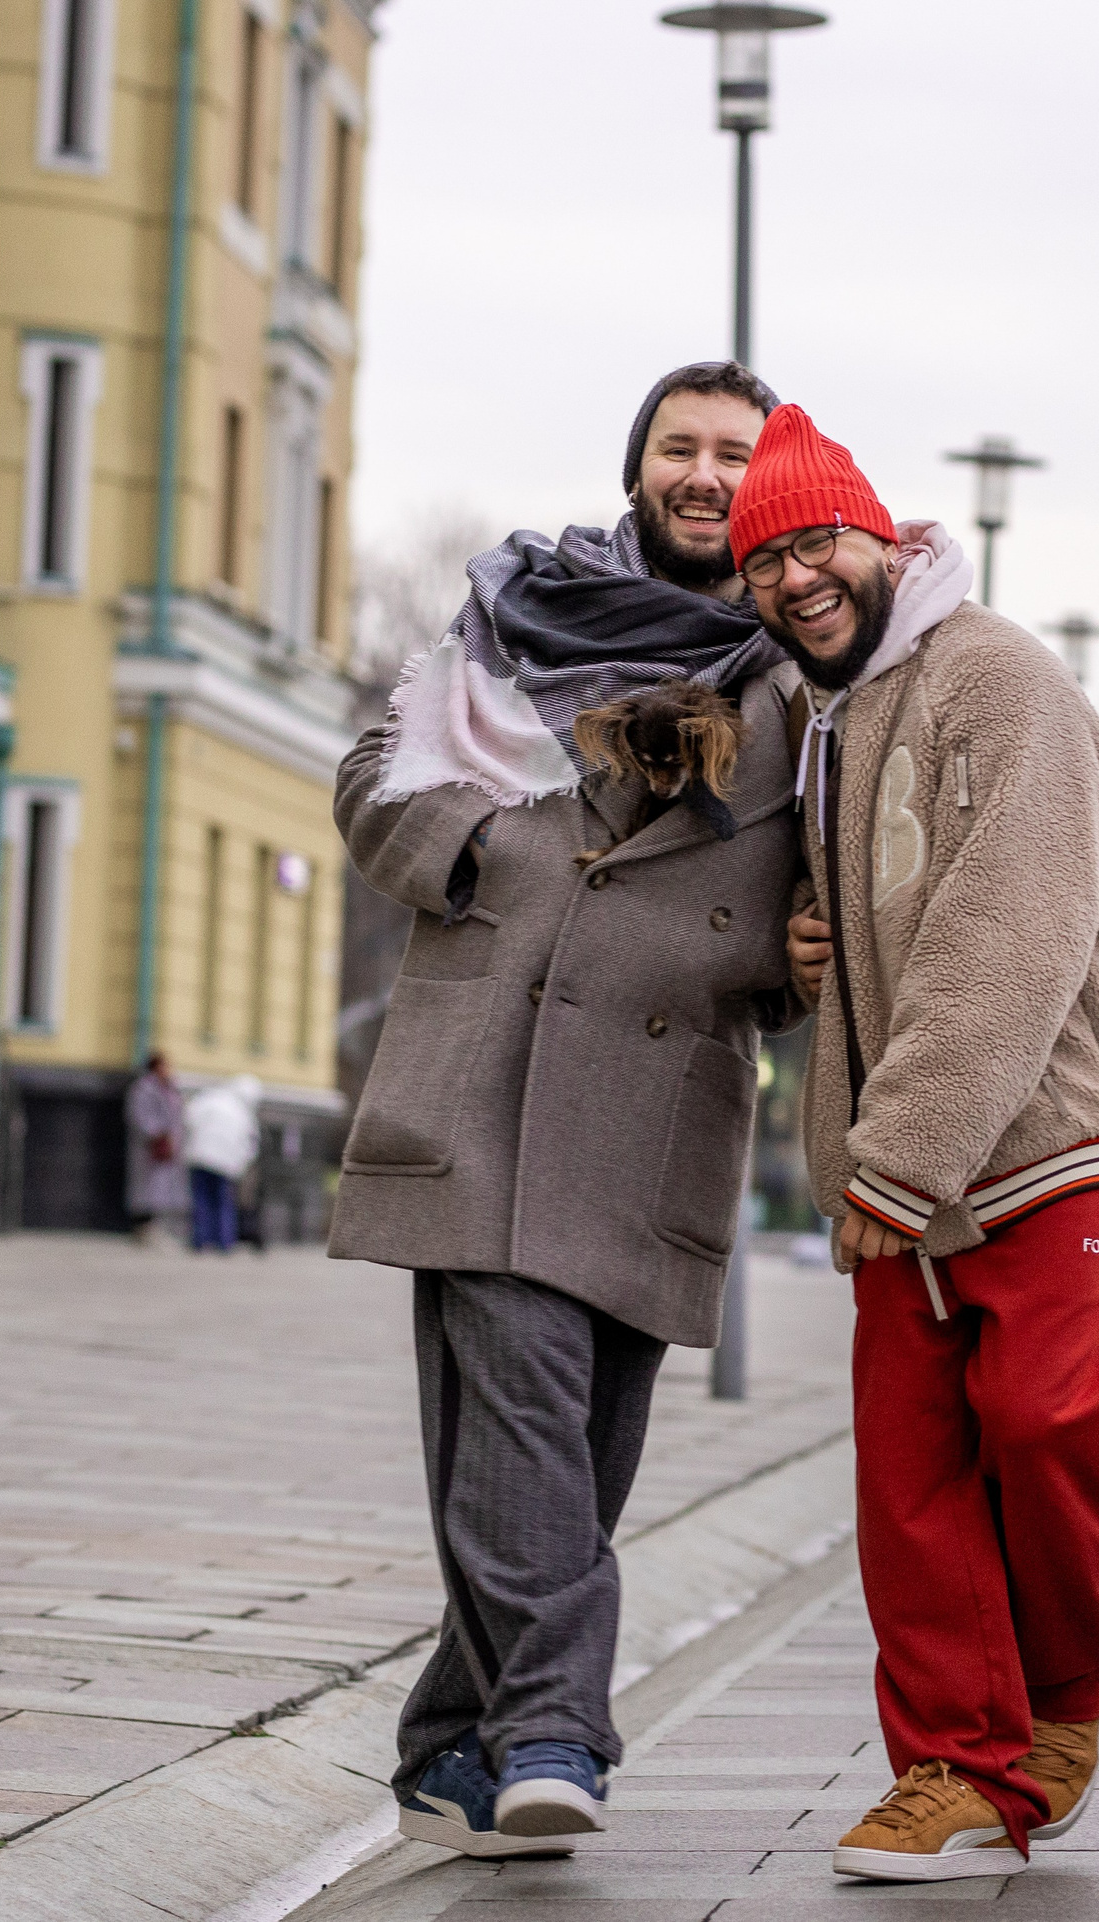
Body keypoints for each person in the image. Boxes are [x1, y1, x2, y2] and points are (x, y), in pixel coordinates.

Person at [329, 362, 809, 1860]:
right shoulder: (519, 617)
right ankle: (552, 1732)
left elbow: (825, 895)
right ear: (638, 466)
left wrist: (800, 963)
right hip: (488, 1075)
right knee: (523, 1414)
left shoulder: (805, 675)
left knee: (565, 1457)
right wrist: (482, 849)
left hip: (658, 1112)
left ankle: (444, 1749)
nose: (704, 473)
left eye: (734, 452)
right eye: (678, 445)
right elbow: (374, 772)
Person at [732, 407, 1099, 1881]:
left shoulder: (993, 675)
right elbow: (893, 913)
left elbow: (1010, 927)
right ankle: (953, 1765)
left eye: (817, 541)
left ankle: (1064, 1694)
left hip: (1055, 1134)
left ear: (882, 537)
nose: (794, 577)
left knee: (1042, 1422)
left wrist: (901, 1155)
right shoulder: (828, 713)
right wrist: (809, 943)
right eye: (762, 561)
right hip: (904, 1158)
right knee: (910, 1473)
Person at [182, 1074, 261, 1253]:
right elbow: (250, 1145)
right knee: (223, 1202)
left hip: (200, 1157)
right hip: (226, 1165)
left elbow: (188, 1118)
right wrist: (240, 1166)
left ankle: (200, 1240)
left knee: (201, 1199)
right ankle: (224, 1242)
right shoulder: (243, 1114)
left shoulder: (210, 1098)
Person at [124, 1053, 186, 1245]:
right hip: (151, 1147)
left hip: (167, 1147)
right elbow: (140, 1117)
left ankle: (154, 1227)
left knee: (160, 1189)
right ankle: (143, 1228)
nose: (168, 1070)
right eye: (165, 1066)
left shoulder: (169, 1088)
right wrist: (158, 1134)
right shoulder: (143, 1089)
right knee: (147, 1189)